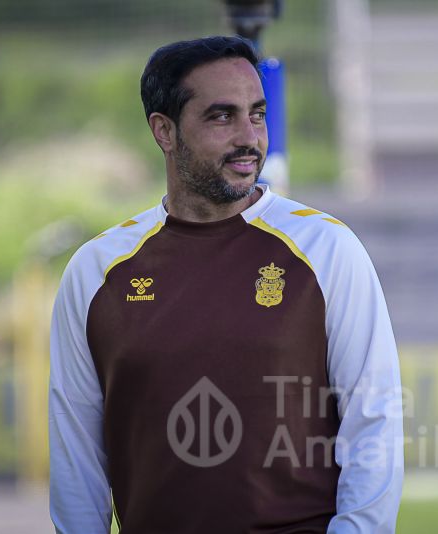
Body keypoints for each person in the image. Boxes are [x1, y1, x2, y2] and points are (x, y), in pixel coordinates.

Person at [48, 36, 403, 533]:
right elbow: (77, 456)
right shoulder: (96, 272)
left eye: (257, 114)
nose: (249, 137)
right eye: (221, 116)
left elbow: (374, 421)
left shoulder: (328, 249)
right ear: (164, 131)